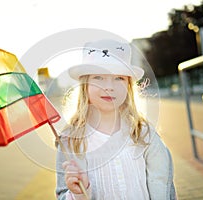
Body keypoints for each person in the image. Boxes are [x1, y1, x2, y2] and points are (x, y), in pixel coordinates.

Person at [55, 39, 176, 200]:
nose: (109, 86)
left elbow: (164, 184)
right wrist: (77, 194)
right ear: (85, 85)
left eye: (119, 78)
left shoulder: (142, 132)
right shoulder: (70, 141)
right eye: (98, 77)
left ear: (128, 86)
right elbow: (62, 193)